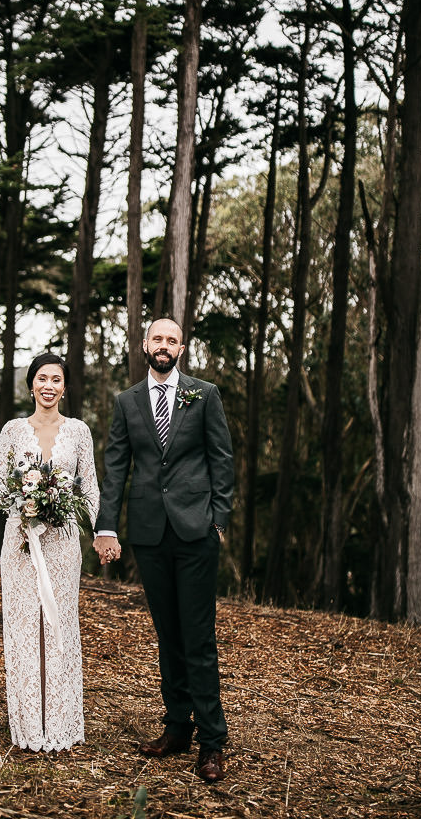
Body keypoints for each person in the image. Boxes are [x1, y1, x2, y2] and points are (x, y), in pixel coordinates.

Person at [93, 317, 233, 784]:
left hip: (196, 533)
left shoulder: (204, 394)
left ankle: (212, 741)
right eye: (158, 339)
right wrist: (106, 527)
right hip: (150, 533)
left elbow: (222, 459)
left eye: (172, 340)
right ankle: (177, 728)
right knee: (167, 635)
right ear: (145, 344)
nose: (164, 346)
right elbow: (116, 468)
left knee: (198, 638)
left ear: (182, 348)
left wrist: (219, 521)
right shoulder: (127, 402)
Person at [0, 352, 99, 751]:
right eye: (42, 378)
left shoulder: (79, 432)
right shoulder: (13, 431)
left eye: (56, 379)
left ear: (65, 387)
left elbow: (89, 488)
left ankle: (60, 724)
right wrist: (25, 501)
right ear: (31, 385)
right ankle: (27, 727)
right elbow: (1, 485)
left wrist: (102, 532)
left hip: (62, 543)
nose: (49, 386)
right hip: (20, 541)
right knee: (23, 628)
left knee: (58, 626)